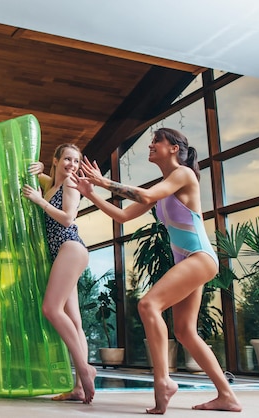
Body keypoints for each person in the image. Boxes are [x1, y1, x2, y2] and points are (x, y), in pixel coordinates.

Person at [72, 128, 242, 414]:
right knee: (185, 331)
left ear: (174, 148)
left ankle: (163, 381)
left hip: (199, 256)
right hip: (189, 261)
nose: (150, 145)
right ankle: (227, 396)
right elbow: (124, 215)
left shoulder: (183, 175)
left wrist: (102, 181)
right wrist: (91, 194)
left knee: (149, 304)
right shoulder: (165, 185)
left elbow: (143, 194)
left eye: (157, 141)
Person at [22, 143, 97, 404]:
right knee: (75, 322)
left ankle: (85, 369)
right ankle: (78, 387)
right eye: (67, 159)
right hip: (65, 254)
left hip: (70, 249)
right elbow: (42, 175)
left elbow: (67, 218)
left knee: (51, 309)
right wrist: (41, 168)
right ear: (56, 160)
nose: (73, 166)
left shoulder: (70, 185)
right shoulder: (54, 183)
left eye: (76, 161)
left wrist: (40, 201)